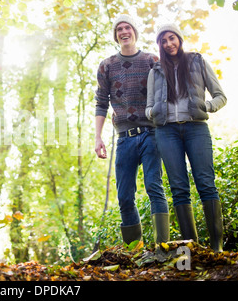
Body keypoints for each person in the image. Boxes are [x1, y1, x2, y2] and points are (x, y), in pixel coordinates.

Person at [146, 23, 227, 252]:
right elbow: (148, 106)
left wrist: (207, 106)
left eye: (172, 38)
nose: (169, 44)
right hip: (166, 131)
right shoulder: (156, 70)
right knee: (179, 188)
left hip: (196, 129)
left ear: (179, 39)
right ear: (160, 45)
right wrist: (151, 113)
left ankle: (217, 247)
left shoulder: (197, 62)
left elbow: (220, 96)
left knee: (206, 183)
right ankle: (192, 249)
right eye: (163, 41)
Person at [95, 14, 169, 246]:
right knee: (125, 196)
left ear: (135, 32)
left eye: (128, 28)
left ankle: (162, 247)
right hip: (124, 138)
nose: (124, 32)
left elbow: (165, 94)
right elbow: (100, 102)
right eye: (119, 29)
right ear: (116, 36)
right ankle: (134, 251)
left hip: (151, 134)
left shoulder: (151, 60)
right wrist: (98, 137)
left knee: (153, 187)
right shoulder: (106, 65)